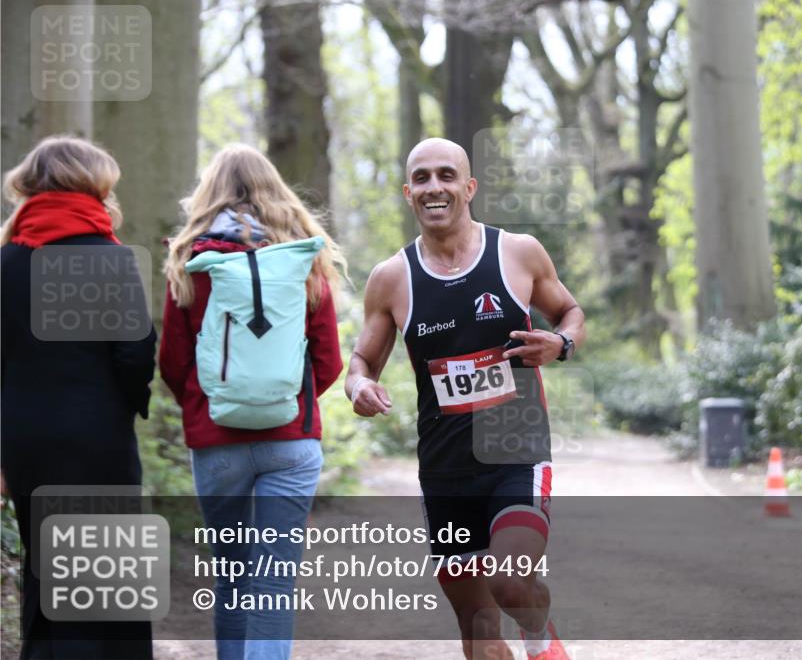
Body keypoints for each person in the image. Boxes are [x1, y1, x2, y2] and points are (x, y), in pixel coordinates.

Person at [346, 138, 585, 660]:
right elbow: (361, 362)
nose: (436, 187)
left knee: (510, 581)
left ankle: (542, 640)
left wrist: (561, 342)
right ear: (409, 193)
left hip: (514, 454)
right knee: (477, 630)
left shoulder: (517, 253)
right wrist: (360, 386)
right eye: (424, 178)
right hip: (445, 468)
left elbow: (570, 312)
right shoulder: (391, 279)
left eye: (447, 176)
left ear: (469, 187)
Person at [160, 144, 345, 660]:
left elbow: (173, 363)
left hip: (215, 444)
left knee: (233, 579)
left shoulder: (190, 259)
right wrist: (286, 400)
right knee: (272, 583)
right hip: (291, 442)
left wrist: (208, 405)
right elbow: (328, 360)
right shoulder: (305, 258)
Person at [0, 136, 157, 659]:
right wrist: (130, 401)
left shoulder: (6, 263)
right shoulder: (109, 259)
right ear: (94, 185)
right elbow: (135, 355)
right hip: (97, 438)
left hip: (26, 439)